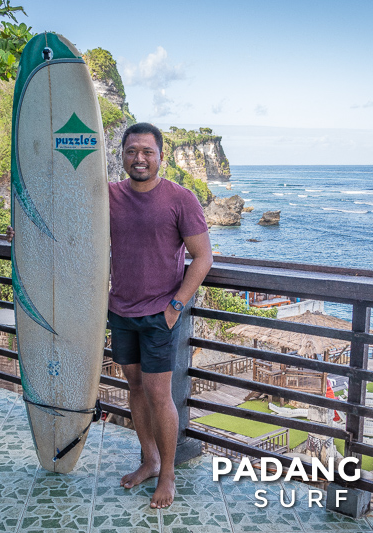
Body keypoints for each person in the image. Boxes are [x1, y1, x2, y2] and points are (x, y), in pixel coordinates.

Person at [108, 122, 213, 508]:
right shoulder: (108, 196)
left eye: (147, 152)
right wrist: (22, 234)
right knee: (135, 388)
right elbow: (65, 224)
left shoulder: (180, 198)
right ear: (122, 155)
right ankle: (149, 461)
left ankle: (167, 474)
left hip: (159, 315)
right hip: (120, 310)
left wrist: (175, 307)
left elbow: (203, 257)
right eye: (131, 151)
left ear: (161, 157)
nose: (139, 158)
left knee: (158, 394)